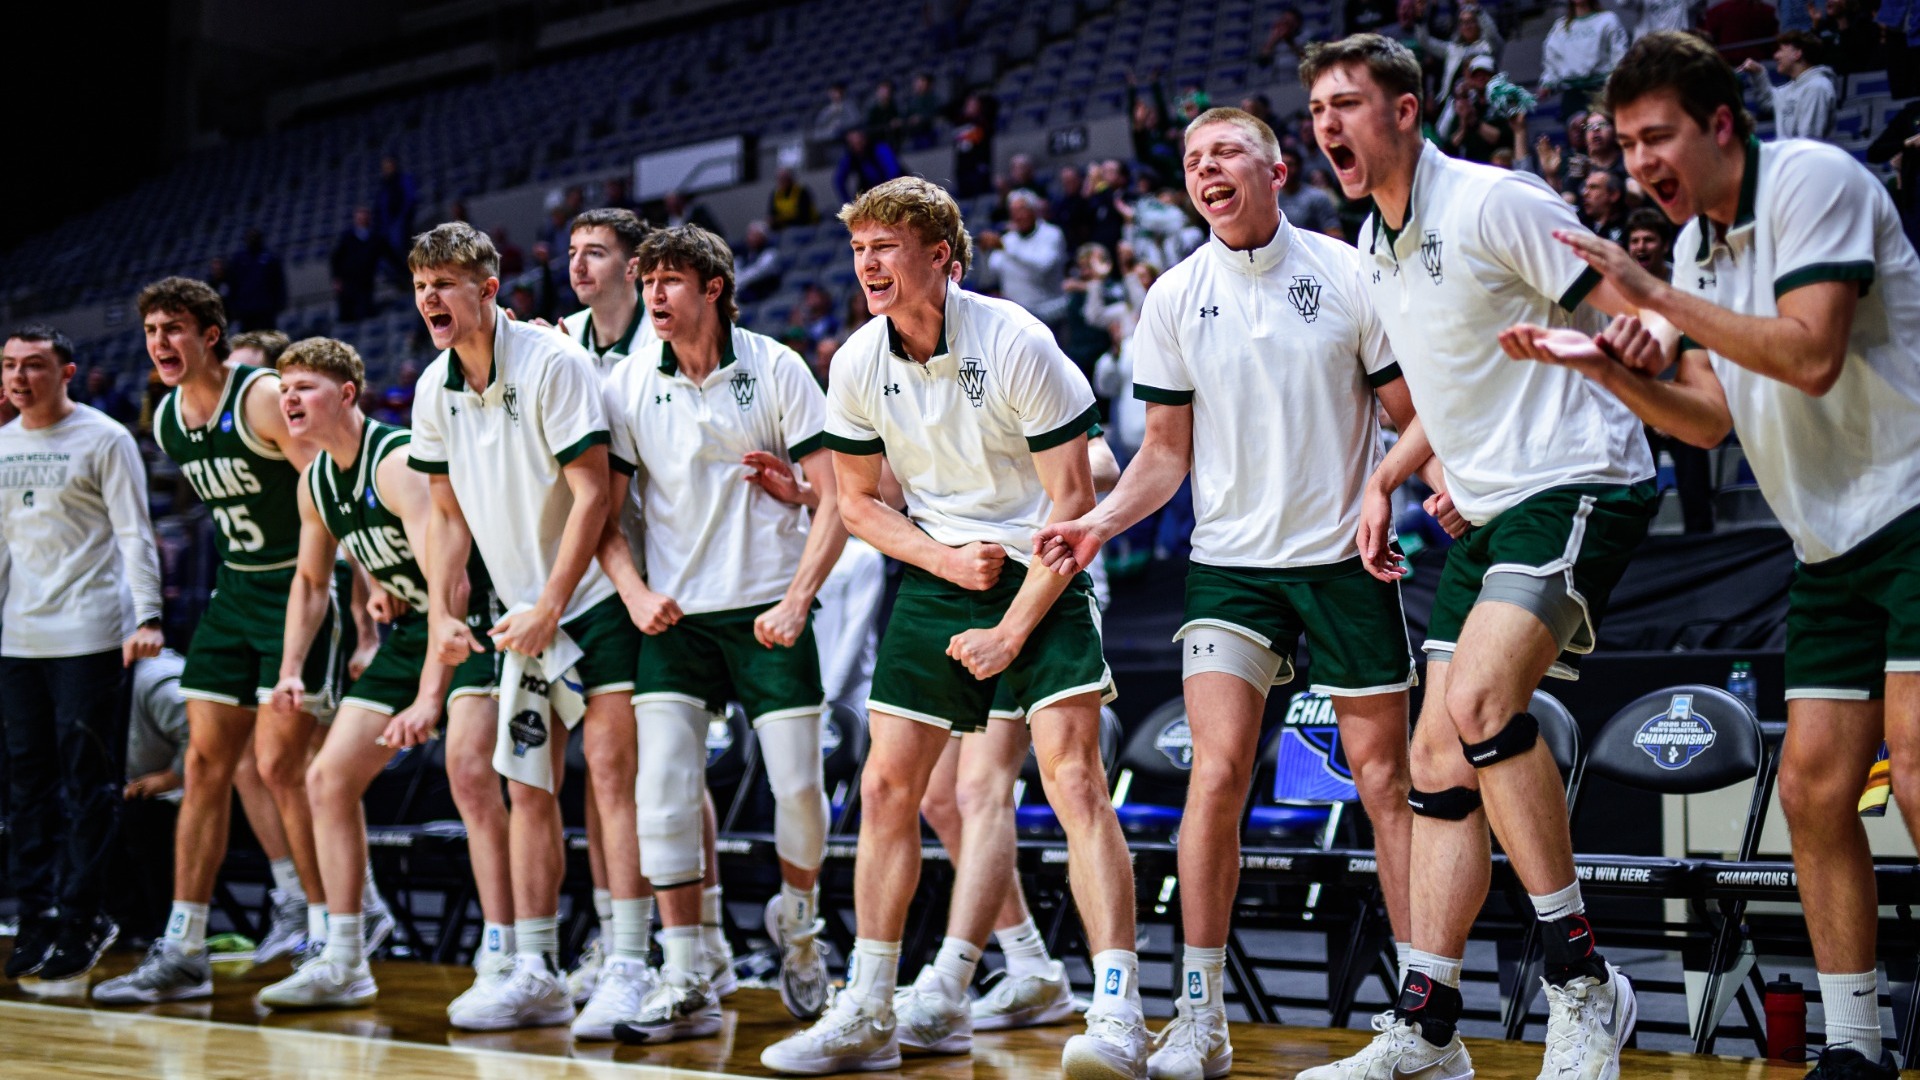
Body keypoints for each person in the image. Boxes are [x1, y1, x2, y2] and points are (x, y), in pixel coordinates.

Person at [1500, 32, 1920, 1076]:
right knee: (1815, 791)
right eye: (1628, 142)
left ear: (1721, 125)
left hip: (1914, 507)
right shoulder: (1696, 251)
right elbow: (1703, 423)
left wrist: (1651, 292)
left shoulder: (1812, 181)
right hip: (1826, 545)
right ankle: (1858, 1048)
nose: (1641, 161)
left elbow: (1812, 354)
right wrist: (1604, 363)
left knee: (1913, 768)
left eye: (1658, 136)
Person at [1036, 107, 1456, 1080]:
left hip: (1345, 562)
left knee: (1386, 784)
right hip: (1230, 568)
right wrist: (1099, 523)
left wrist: (1425, 488)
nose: (1206, 169)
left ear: (1276, 167)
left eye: (1225, 152)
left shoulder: (1352, 273)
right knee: (1216, 774)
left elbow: (1411, 415)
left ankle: (1421, 1026)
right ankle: (1201, 1014)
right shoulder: (1176, 297)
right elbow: (1165, 456)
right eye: (1192, 160)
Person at [1300, 34, 1656, 1079]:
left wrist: (1636, 352)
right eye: (1317, 107)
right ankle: (1429, 1026)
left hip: (1579, 475)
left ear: (1407, 111)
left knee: (1482, 705)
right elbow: (1452, 386)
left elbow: (1624, 308)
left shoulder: (1499, 201)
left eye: (1349, 103)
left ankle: (1587, 987)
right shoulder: (1375, 244)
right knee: (1435, 767)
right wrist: (1389, 476)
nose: (1328, 124)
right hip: (1490, 502)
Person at [759, 176, 1147, 1078]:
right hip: (944, 569)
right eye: (859, 250)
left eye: (885, 247)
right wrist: (940, 562)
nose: (868, 265)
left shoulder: (1016, 341)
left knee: (1072, 780)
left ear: (941, 257)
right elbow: (856, 503)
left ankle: (1117, 1010)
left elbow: (1077, 501)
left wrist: (1010, 629)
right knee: (893, 786)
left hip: (1047, 560)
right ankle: (869, 1006)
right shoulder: (856, 361)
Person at [595, 224, 844, 1041]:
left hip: (770, 609)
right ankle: (684, 969)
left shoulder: (775, 367)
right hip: (675, 618)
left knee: (800, 791)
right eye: (648, 280)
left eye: (671, 279)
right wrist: (632, 593)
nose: (655, 295)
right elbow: (601, 514)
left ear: (713, 286)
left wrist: (799, 599)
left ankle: (800, 932)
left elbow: (838, 497)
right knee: (659, 792)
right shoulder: (631, 384)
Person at [405, 223, 647, 1034]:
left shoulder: (552, 363)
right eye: (420, 285)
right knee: (527, 786)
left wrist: (552, 598)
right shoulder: (432, 390)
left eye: (446, 282)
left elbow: (593, 496)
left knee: (611, 778)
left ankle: (626, 965)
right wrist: (445, 608)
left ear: (487, 289)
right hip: (520, 611)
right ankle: (536, 968)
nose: (431, 298)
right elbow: (444, 518)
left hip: (594, 604)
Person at [93, 279, 338, 1006]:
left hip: (298, 587)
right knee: (204, 764)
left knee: (282, 766)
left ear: (210, 337)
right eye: (152, 330)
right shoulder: (168, 418)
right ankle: (184, 947)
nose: (161, 343)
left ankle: (329, 932)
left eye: (175, 328)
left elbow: (322, 479)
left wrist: (346, 585)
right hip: (235, 594)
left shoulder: (259, 395)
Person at [253, 338, 501, 1010]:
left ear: (348, 395)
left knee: (471, 776)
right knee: (326, 780)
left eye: (305, 386)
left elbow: (447, 580)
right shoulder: (316, 480)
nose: (289, 399)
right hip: (412, 628)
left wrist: (429, 695)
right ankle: (344, 954)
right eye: (284, 388)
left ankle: (507, 949)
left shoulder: (394, 462)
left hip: (471, 618)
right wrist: (291, 670)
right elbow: (310, 581)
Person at [555, 207, 735, 1013]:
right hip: (593, 569)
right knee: (610, 773)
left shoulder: (672, 337)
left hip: (668, 573)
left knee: (660, 769)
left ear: (634, 268)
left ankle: (698, 936)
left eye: (596, 252)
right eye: (571, 252)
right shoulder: (560, 342)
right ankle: (618, 934)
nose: (578, 264)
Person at [0, 325, 164, 982]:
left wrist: (147, 615)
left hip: (91, 634)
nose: (19, 377)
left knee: (87, 787)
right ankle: (35, 917)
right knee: (27, 788)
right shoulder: (2, 445)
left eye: (34, 366)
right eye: (9, 365)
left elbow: (136, 534)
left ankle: (84, 916)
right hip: (20, 639)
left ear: (67, 373)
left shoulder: (106, 438)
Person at [980, 190, 1068, 323]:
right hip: (1017, 314)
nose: (1017, 216)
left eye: (1022, 210)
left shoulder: (1052, 234)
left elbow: (1042, 267)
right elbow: (990, 276)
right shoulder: (1008, 239)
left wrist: (1005, 248)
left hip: (1049, 311)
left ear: (1034, 211)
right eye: (1013, 211)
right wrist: (984, 254)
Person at [1739, 31, 1839, 141]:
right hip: (1791, 156)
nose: (1776, 56)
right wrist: (1758, 72)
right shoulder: (1791, 87)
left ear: (1797, 54)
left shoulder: (1817, 87)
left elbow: (1809, 140)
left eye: (1781, 50)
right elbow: (1768, 102)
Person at [1539, 0, 1630, 116]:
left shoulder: (1608, 20)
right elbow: (1552, 60)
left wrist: (1614, 83)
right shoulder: (1560, 27)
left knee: (1600, 130)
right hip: (1572, 94)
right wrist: (1547, 84)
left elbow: (1619, 55)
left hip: (1601, 91)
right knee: (1577, 132)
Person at [330, 208, 386, 323]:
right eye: (359, 218)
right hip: (347, 281)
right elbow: (335, 258)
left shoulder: (376, 237)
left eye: (364, 218)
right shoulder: (347, 237)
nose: (362, 220)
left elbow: (389, 255)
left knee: (366, 312)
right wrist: (336, 279)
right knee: (347, 314)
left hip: (366, 281)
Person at [1277, 147, 1346, 238]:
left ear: (1300, 167)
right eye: (1282, 165)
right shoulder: (1268, 199)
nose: (1286, 170)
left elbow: (1335, 233)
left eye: (1290, 165)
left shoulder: (1318, 197)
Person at [228, 229, 288, 332]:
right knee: (248, 341)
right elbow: (233, 284)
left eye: (255, 237)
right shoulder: (238, 259)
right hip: (245, 309)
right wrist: (234, 306)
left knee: (269, 339)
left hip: (266, 307)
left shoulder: (271, 257)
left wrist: (280, 302)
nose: (253, 240)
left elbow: (279, 282)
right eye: (250, 237)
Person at [834, 129, 906, 204]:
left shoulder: (879, 148)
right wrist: (848, 202)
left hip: (895, 187)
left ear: (864, 138)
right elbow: (839, 180)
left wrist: (884, 195)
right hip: (870, 190)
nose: (856, 146)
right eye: (852, 144)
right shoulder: (851, 157)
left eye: (859, 141)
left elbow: (893, 172)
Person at [1702, 0, 1780, 63]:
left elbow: (1707, 41)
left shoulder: (1717, 11)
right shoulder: (1766, 10)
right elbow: (1774, 44)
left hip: (1728, 64)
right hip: (1760, 62)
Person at [736, 220, 785, 304]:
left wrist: (737, 283)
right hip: (743, 288)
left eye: (754, 235)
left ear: (762, 237)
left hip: (762, 291)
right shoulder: (744, 252)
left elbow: (757, 273)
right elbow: (735, 266)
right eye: (750, 234)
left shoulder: (771, 253)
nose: (750, 237)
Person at [1582, 171, 1630, 243]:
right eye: (1586, 187)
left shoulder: (1629, 227)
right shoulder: (1579, 222)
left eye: (1593, 187)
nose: (1585, 193)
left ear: (1613, 195)